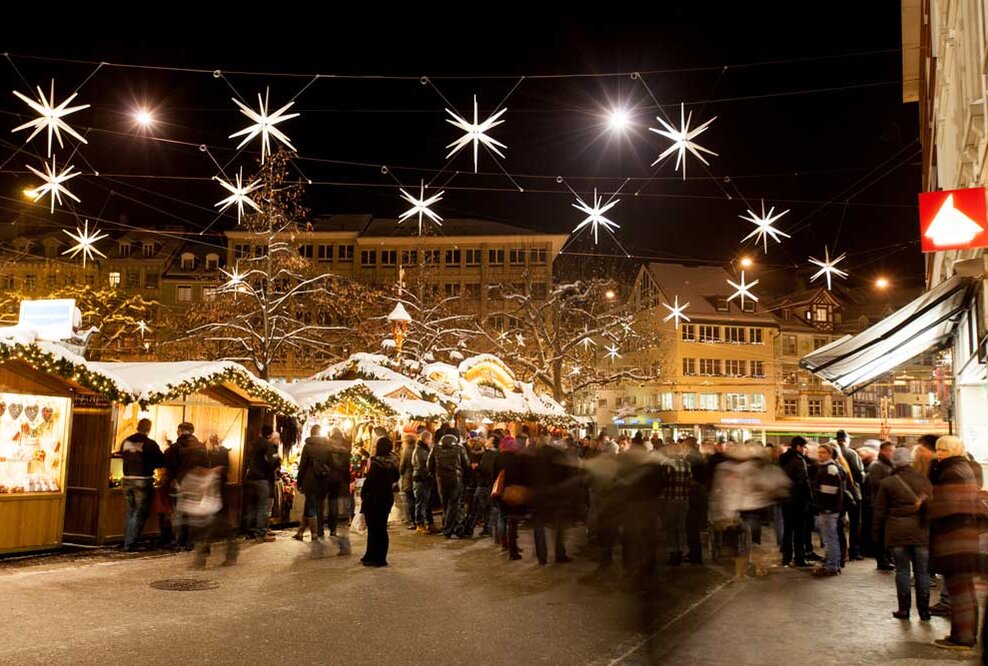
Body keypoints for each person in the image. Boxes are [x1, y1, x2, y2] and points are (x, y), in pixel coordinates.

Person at [929, 436, 980, 650]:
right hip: (964, 535)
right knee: (963, 587)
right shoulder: (964, 468)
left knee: (959, 588)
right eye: (938, 450)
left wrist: (925, 506)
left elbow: (948, 505)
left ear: (954, 450)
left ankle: (963, 637)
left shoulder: (953, 472)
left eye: (944, 450)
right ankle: (964, 635)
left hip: (955, 537)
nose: (939, 454)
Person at [873, 446, 932, 620]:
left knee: (902, 571)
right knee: (922, 572)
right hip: (921, 532)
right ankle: (924, 611)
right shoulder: (924, 480)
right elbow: (931, 507)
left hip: (896, 532)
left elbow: (879, 511)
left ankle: (904, 610)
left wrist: (876, 535)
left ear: (894, 462)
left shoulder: (887, 482)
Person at [186, 433, 239, 568]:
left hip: (214, 503)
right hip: (206, 506)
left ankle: (229, 554)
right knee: (205, 531)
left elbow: (224, 469)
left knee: (217, 528)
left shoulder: (217, 463)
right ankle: (203, 559)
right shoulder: (202, 467)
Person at [115, 418, 164, 552]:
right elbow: (160, 460)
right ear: (149, 428)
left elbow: (121, 455)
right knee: (139, 512)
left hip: (126, 479)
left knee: (130, 511)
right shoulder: (149, 443)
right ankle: (130, 543)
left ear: (137, 427)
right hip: (142, 479)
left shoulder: (126, 441)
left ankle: (127, 540)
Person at [360, 437, 400, 567]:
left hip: (374, 498)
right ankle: (380, 556)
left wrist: (363, 492)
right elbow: (396, 477)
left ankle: (372, 555)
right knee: (381, 527)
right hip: (386, 497)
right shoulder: (394, 461)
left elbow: (370, 481)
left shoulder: (377, 463)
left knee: (373, 528)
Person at [294, 425, 331, 546]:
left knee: (310, 505)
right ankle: (300, 532)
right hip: (322, 480)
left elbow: (303, 466)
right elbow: (330, 463)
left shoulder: (308, 446)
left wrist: (299, 482)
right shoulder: (327, 446)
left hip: (310, 480)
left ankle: (314, 533)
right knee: (313, 505)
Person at [428, 432, 470, 538]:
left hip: (440, 479)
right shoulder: (459, 448)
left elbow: (429, 464)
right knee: (454, 504)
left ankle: (447, 526)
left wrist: (434, 473)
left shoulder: (435, 449)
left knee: (445, 503)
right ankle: (449, 529)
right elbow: (466, 463)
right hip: (455, 479)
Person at [811, 442, 844, 577]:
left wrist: (823, 504)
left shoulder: (830, 469)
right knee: (830, 537)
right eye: (819, 452)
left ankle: (831, 565)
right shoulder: (826, 467)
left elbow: (831, 492)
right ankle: (832, 563)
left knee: (830, 538)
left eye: (823, 452)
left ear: (830, 454)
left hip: (828, 509)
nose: (820, 455)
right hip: (828, 508)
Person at [780, 436, 813, 567]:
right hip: (798, 501)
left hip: (785, 499)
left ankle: (786, 558)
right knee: (800, 531)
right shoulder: (799, 461)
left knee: (787, 530)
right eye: (804, 447)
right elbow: (803, 482)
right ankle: (799, 558)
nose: (805, 450)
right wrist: (809, 499)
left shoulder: (783, 459)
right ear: (798, 447)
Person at [863, 441, 895, 570]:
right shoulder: (877, 466)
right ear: (883, 451)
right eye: (891, 451)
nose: (893, 454)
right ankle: (882, 560)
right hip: (879, 503)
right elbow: (875, 483)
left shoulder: (888, 465)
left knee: (886, 534)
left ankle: (887, 558)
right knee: (881, 534)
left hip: (887, 503)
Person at [245, 425, 279, 542]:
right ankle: (261, 533)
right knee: (261, 507)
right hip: (261, 478)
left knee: (252, 507)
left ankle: (250, 531)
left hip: (250, 478)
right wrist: (276, 461)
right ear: (269, 435)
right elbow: (271, 462)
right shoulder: (267, 445)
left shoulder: (253, 444)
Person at [835, 430, 865, 560]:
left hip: (839, 494)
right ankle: (854, 551)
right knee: (855, 523)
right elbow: (859, 473)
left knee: (839, 522)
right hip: (853, 492)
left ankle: (841, 552)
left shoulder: (833, 452)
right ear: (846, 440)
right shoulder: (851, 453)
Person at [325, 427, 353, 555]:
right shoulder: (345, 450)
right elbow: (346, 466)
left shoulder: (328, 449)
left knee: (333, 504)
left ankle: (332, 528)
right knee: (341, 506)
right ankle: (342, 537)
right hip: (342, 482)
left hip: (332, 481)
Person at [411, 431, 433, 533]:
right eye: (430, 439)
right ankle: (419, 524)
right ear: (426, 439)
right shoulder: (420, 451)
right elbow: (422, 466)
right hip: (421, 479)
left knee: (424, 502)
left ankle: (426, 523)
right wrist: (428, 476)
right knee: (420, 502)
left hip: (422, 479)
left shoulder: (422, 449)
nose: (431, 441)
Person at [398, 433, 417, 529]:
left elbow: (402, 467)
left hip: (408, 478)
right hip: (416, 479)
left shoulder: (406, 452)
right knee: (417, 500)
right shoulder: (417, 450)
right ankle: (418, 521)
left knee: (410, 501)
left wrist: (400, 473)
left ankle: (412, 521)